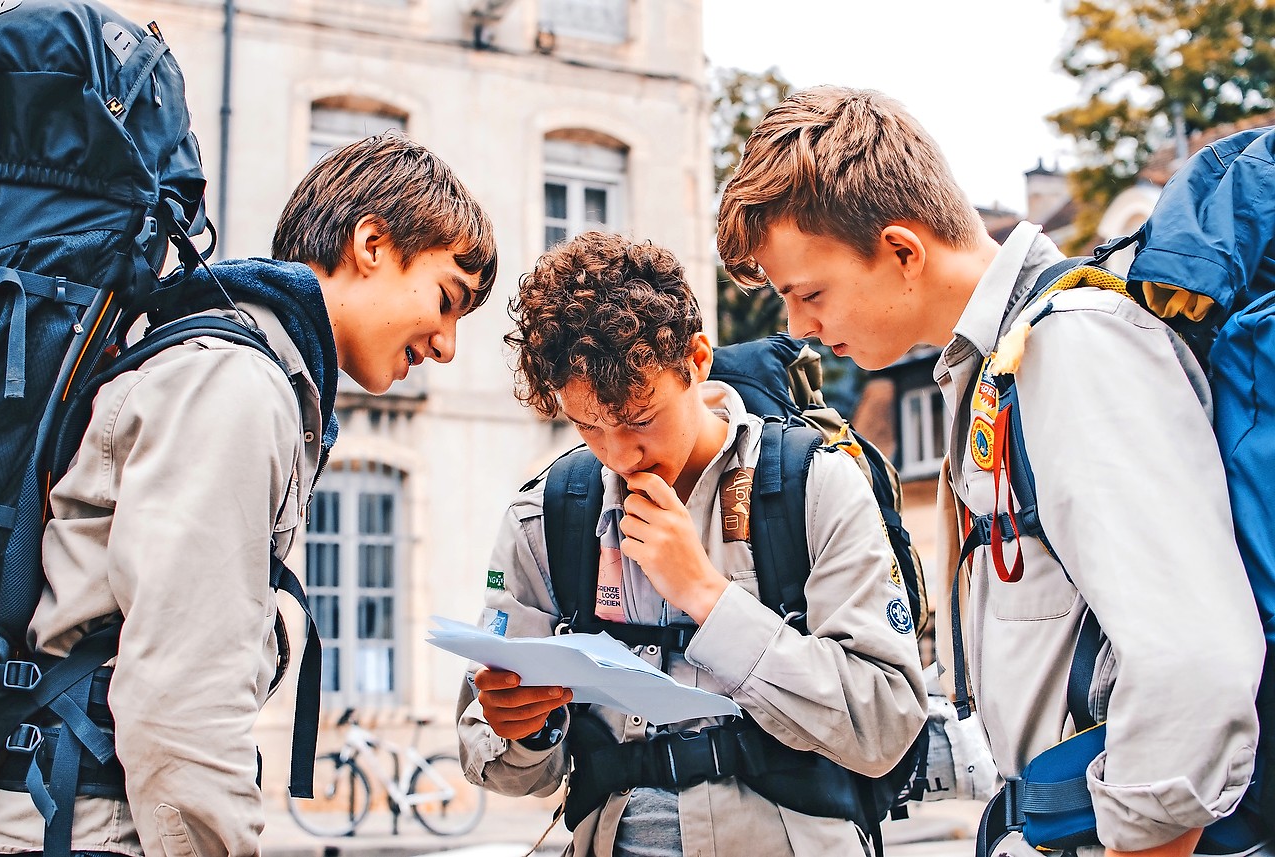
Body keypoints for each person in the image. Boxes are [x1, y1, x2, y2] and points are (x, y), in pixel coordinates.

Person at [716, 85, 1267, 857]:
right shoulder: (996, 368)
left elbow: (1195, 662)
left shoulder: (1070, 347)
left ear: (903, 250)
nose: (799, 327)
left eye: (810, 293)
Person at [0, 131, 497, 857]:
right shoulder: (235, 384)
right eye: (448, 299)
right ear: (371, 243)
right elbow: (181, 703)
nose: (448, 344)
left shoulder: (231, 365)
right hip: (93, 825)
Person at [456, 231, 926, 857]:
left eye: (641, 419)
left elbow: (887, 723)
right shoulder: (546, 515)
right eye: (589, 426)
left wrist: (708, 597)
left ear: (697, 360)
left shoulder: (812, 484)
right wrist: (528, 731)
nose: (620, 454)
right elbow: (490, 756)